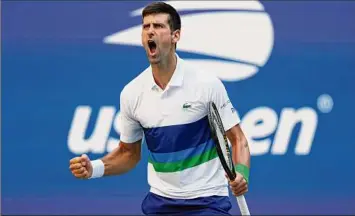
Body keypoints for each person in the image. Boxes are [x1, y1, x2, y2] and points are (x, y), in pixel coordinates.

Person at [69, 2, 251, 215]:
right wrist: (94, 168)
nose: (150, 32)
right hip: (161, 203)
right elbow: (129, 154)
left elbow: (238, 140)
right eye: (146, 27)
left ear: (175, 36)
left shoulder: (207, 84)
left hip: (207, 201)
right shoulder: (132, 93)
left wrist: (241, 173)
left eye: (158, 26)